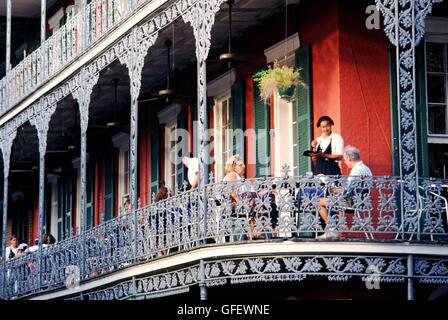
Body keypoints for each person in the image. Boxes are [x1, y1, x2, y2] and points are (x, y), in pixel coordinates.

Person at [318, 145, 372, 239]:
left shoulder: (356, 171)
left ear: (349, 158)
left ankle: (332, 230)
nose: (345, 163)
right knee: (330, 200)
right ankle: (333, 229)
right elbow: (351, 189)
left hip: (351, 202)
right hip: (361, 201)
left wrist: (333, 190)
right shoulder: (366, 169)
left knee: (318, 201)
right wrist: (336, 190)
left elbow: (348, 191)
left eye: (345, 160)